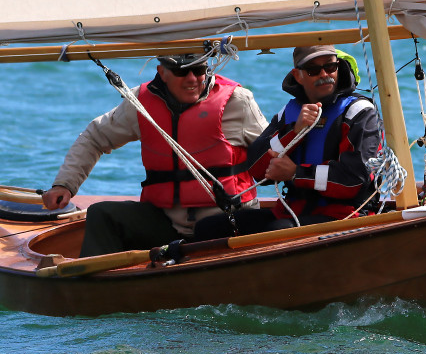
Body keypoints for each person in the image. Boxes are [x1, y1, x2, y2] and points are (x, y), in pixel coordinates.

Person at [41, 54, 268, 256]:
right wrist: (65, 184)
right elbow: (94, 137)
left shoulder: (238, 101)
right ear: (162, 72)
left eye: (199, 70)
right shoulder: (140, 102)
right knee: (102, 214)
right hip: (167, 223)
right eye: (181, 71)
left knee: (216, 230)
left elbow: (272, 152)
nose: (192, 78)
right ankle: (95, 292)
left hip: (226, 221)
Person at [192, 45, 382, 240]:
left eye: (331, 67)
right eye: (313, 70)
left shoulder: (359, 113)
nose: (324, 74)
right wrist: (294, 131)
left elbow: (354, 181)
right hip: (293, 212)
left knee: (276, 232)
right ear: (298, 75)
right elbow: (257, 169)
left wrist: (295, 173)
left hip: (345, 217)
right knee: (207, 229)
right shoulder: (289, 114)